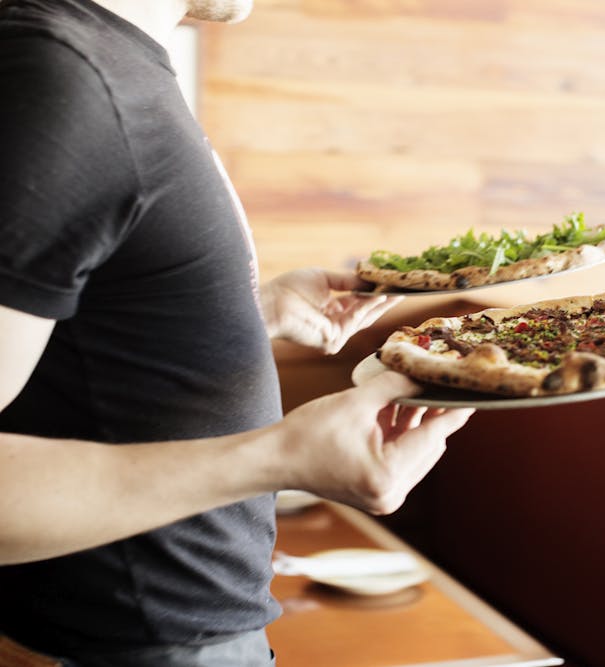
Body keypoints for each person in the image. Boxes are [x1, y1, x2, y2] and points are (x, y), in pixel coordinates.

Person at [0, 0, 474, 664]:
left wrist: (247, 314)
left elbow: (80, 341)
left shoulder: (102, 61)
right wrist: (280, 456)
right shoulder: (62, 78)